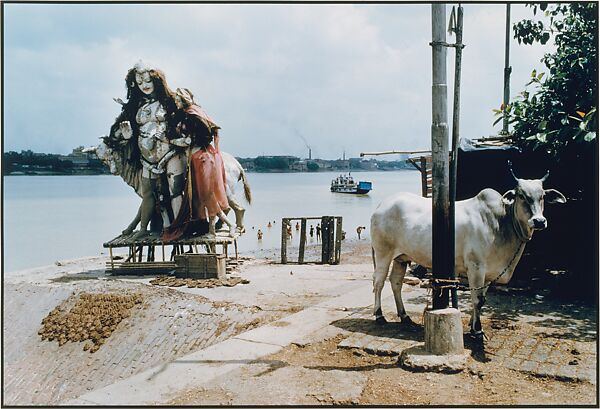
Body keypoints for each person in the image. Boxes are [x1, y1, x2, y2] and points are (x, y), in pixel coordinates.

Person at [108, 61, 188, 239]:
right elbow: (115, 134)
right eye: (139, 82)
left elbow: (186, 120)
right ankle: (144, 228)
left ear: (156, 81)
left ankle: (178, 226)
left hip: (171, 153)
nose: (144, 85)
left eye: (147, 81)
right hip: (146, 158)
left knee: (175, 192)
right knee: (148, 194)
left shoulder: (170, 101)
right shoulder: (133, 106)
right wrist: (126, 134)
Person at [162, 88, 236, 240]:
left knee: (206, 195)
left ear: (183, 100)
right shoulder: (195, 113)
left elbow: (188, 140)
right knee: (204, 196)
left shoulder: (191, 115)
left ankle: (229, 224)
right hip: (200, 157)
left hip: (201, 158)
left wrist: (170, 141)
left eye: (177, 100)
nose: (176, 103)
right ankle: (213, 229)